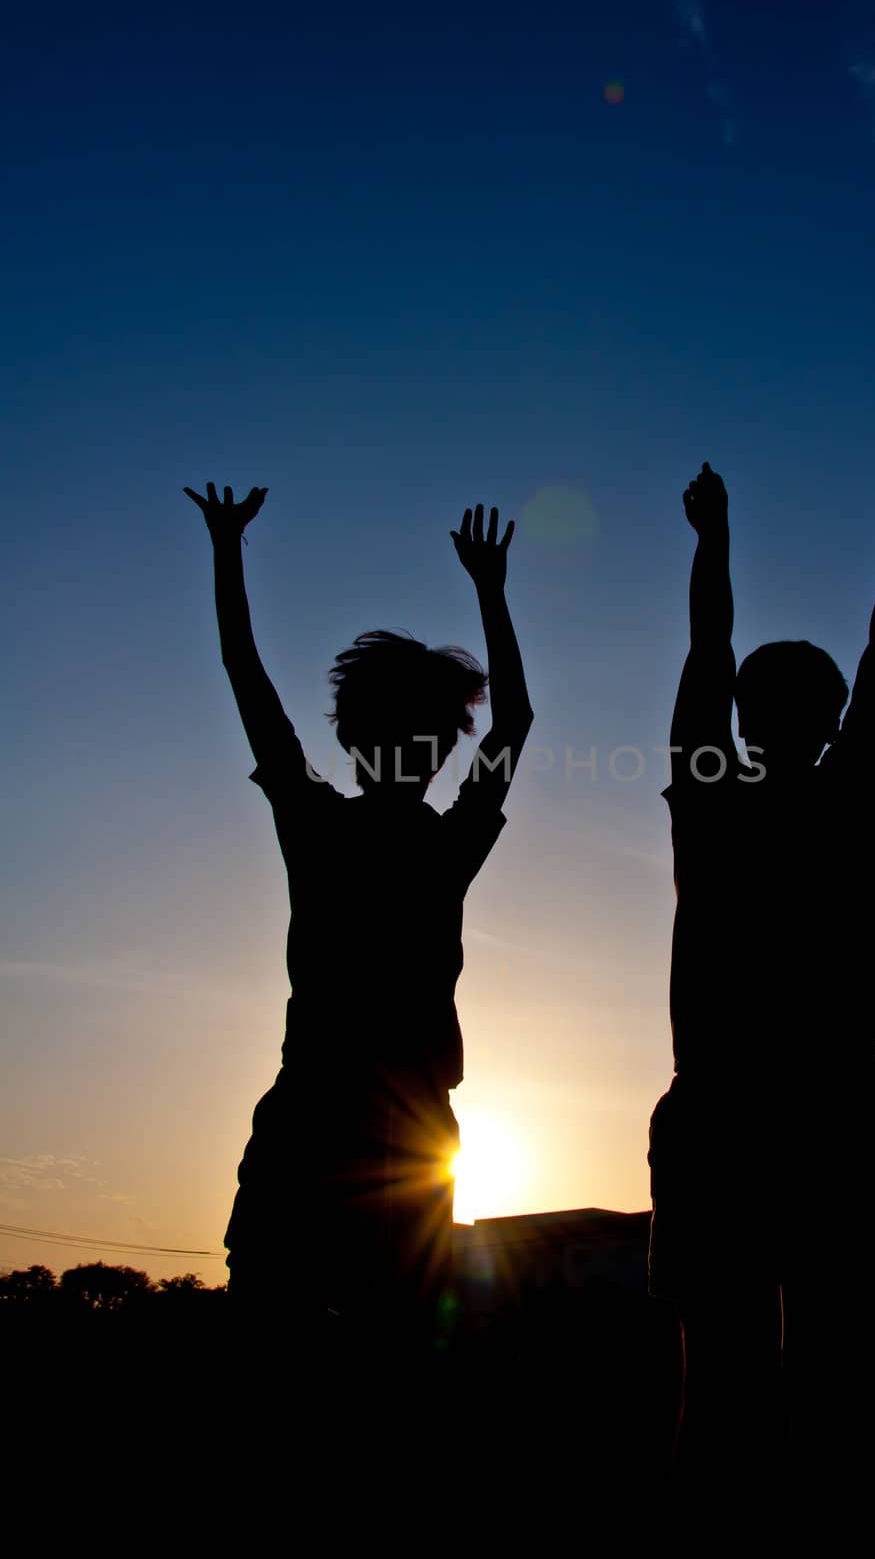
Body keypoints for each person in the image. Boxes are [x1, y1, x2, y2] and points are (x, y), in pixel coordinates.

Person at [648, 452, 875, 1495]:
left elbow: (708, 646)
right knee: (840, 1384)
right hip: (824, 1105)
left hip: (737, 1111)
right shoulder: (847, 790)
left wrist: (713, 537)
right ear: (827, 721)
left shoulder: (711, 797)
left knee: (722, 1389)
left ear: (743, 718)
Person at [184, 485, 533, 1336]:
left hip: (344, 1121)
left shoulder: (327, 827)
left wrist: (228, 550)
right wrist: (490, 588)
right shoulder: (426, 843)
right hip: (370, 1123)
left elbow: (246, 675)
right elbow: (514, 719)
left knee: (308, 1331)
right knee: (371, 1344)